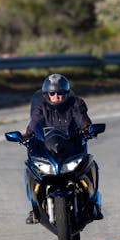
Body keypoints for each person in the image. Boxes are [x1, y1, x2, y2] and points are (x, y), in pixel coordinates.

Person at [23, 73, 103, 224]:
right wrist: (25, 136)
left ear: (65, 93)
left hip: (71, 148)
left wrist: (89, 129)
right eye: (52, 93)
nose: (56, 96)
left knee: (91, 163)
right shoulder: (41, 107)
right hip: (49, 149)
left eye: (59, 93)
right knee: (29, 167)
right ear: (47, 95)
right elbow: (34, 124)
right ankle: (34, 207)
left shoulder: (75, 104)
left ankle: (94, 202)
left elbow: (82, 119)